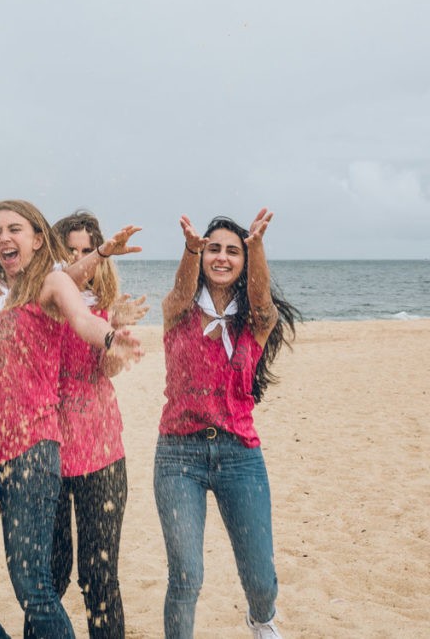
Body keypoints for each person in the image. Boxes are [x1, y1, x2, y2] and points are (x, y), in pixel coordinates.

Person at [0, 200, 143, 639]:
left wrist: (112, 337)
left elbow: (82, 318)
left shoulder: (52, 287)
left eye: (14, 228)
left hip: (40, 450)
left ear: (37, 240)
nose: (3, 238)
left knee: (48, 584)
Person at [154, 209, 300, 639]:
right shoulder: (178, 312)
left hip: (240, 455)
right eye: (213, 249)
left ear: (244, 262)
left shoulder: (255, 321)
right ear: (201, 257)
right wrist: (189, 249)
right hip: (178, 456)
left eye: (232, 251)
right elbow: (182, 291)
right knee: (186, 575)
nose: (221, 257)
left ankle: (261, 619)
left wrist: (257, 248)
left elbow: (262, 302)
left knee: (260, 579)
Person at [50, 211, 148, 639]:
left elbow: (107, 369)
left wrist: (119, 329)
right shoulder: (41, 304)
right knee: (50, 576)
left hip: (100, 451)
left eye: (87, 250)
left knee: (99, 576)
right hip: (46, 452)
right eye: (70, 251)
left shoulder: (107, 308)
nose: (80, 259)